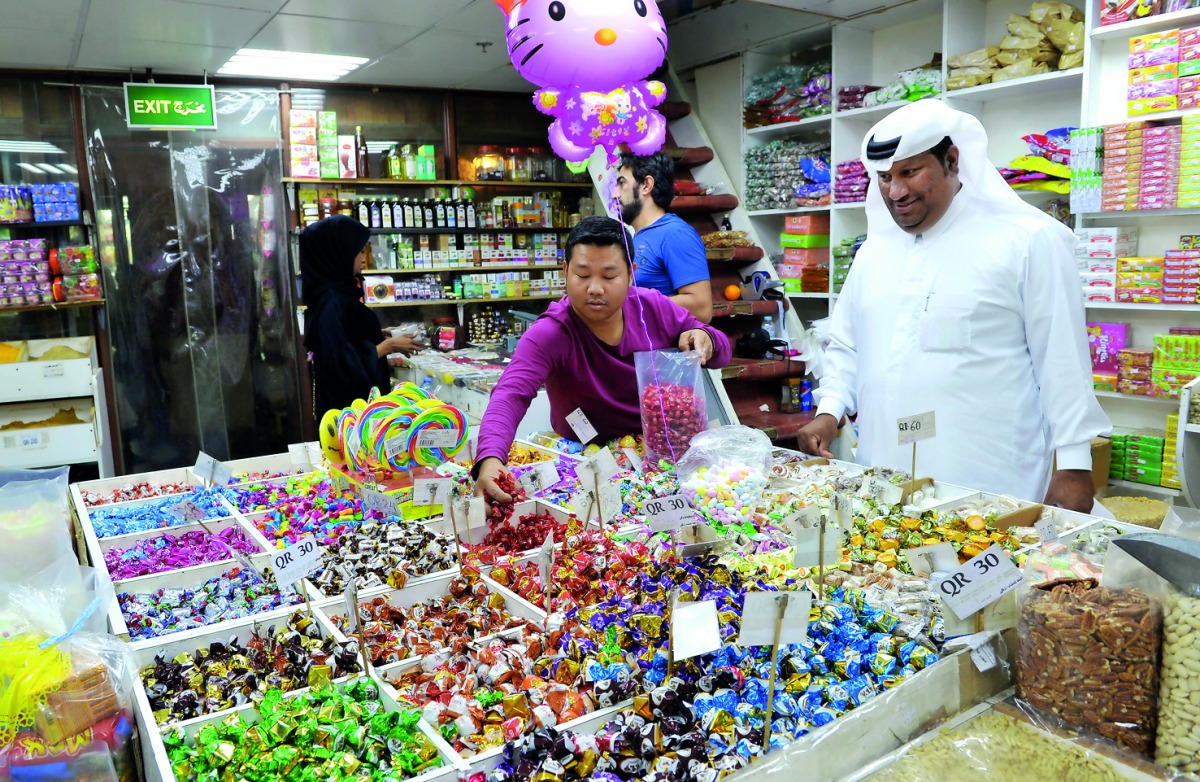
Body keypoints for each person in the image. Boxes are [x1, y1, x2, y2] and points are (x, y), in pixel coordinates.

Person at [797, 100, 1109, 512]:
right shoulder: (873, 254)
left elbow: (1062, 360)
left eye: (910, 172)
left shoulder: (1027, 241)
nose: (896, 191)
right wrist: (830, 410)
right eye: (885, 177)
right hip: (883, 475)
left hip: (989, 479)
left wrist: (1073, 466)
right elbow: (848, 346)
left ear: (952, 160)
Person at [474, 215, 732, 501]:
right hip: (585, 466)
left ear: (631, 274)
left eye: (609, 276)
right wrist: (490, 459)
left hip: (663, 458)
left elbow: (721, 348)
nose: (594, 288)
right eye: (582, 275)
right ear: (565, 271)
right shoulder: (551, 332)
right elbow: (510, 393)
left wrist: (705, 338)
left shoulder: (653, 308)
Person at [301, 215, 421, 417]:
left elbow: (346, 337)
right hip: (350, 417)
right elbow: (341, 366)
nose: (363, 257)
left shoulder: (339, 291)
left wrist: (379, 333)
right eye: (357, 251)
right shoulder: (332, 302)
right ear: (338, 254)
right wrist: (388, 346)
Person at [615, 151, 713, 323]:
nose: (615, 194)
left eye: (622, 184)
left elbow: (702, 307)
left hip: (664, 348)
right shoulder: (636, 237)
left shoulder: (675, 234)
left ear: (646, 185)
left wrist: (629, 306)